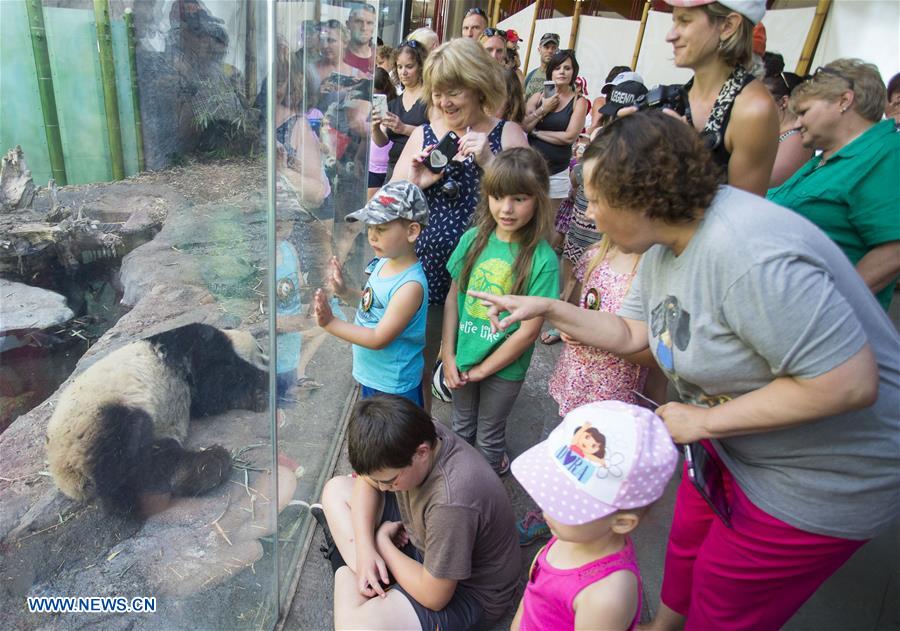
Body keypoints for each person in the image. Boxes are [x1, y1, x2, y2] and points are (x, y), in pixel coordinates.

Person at [470, 111, 900, 631]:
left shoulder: (749, 254)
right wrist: (550, 309)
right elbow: (633, 336)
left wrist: (704, 423)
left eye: (599, 200)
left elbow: (846, 383)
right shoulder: (664, 243)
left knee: (723, 601)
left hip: (817, 474)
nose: (591, 215)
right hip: (730, 442)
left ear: (642, 198)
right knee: (688, 548)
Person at [390, 38, 529, 412]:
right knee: (419, 360)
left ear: (478, 87)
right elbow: (390, 207)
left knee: (474, 371)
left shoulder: (507, 134)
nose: (443, 102)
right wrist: (414, 185)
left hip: (486, 277)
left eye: (454, 92)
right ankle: (423, 433)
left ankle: (472, 445)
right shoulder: (425, 135)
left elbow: (531, 204)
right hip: (430, 273)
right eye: (437, 93)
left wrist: (489, 160)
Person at [318, 395, 521, 630]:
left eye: (390, 480)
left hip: (466, 592)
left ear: (421, 453)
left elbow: (434, 597)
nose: (382, 488)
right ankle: (374, 574)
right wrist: (365, 548)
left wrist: (381, 543)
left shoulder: (451, 504)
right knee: (335, 490)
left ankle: (351, 564)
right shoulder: (416, 432)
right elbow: (368, 482)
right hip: (420, 537)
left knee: (354, 626)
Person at [520, 234, 657, 545]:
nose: (588, 213)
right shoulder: (595, 254)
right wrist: (568, 328)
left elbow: (655, 355)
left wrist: (599, 337)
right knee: (556, 450)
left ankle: (583, 528)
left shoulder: (651, 273)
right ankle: (547, 513)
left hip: (613, 397)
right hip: (573, 382)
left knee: (593, 469)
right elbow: (576, 308)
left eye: (598, 202)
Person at [510, 401, 679, 631]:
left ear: (621, 522)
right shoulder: (572, 533)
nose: (545, 507)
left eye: (564, 503)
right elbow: (532, 596)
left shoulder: (606, 596)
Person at [441, 147, 559, 474]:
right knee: (461, 427)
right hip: (464, 356)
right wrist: (448, 354)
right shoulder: (472, 240)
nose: (506, 208)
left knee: (489, 438)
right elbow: (454, 299)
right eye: (497, 196)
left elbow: (528, 332)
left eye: (519, 198)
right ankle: (459, 490)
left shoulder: (543, 260)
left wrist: (483, 370)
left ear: (538, 199)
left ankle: (485, 503)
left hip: (505, 369)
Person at [767, 59, 900, 311]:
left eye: (804, 112)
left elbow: (894, 249)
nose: (796, 123)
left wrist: (829, 306)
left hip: (824, 325)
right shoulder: (825, 159)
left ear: (843, 101)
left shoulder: (884, 154)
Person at [313, 181, 429, 406]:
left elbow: (378, 338)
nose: (372, 236)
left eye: (381, 229)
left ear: (412, 231)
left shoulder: (409, 286)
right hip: (373, 376)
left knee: (395, 440)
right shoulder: (383, 262)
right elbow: (372, 306)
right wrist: (345, 292)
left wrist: (331, 324)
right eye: (370, 228)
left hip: (394, 386)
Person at [662, 0, 778, 195]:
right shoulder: (676, 97)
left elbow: (741, 215)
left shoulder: (753, 110)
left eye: (685, 21)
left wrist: (688, 154)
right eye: (674, 21)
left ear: (728, 26)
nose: (670, 35)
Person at [523, 49, 589, 249]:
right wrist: (544, 109)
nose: (562, 72)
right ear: (550, 72)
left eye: (567, 68)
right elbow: (524, 126)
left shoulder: (579, 101)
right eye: (557, 68)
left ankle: (541, 266)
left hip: (558, 170)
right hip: (531, 169)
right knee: (527, 218)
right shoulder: (537, 97)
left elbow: (569, 136)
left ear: (573, 72)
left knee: (547, 224)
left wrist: (538, 134)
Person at [372, 39, 429, 180]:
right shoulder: (394, 103)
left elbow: (437, 135)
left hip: (420, 170)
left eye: (409, 66)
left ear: (421, 67)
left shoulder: (431, 99)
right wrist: (375, 128)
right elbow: (382, 142)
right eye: (399, 67)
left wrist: (404, 128)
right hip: (394, 169)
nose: (404, 72)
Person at [762, 70, 813, 187]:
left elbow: (769, 181)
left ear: (783, 102)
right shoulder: (775, 132)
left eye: (762, 98)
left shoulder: (796, 139)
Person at [367, 69, 397, 197]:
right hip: (372, 166)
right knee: (371, 208)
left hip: (388, 166)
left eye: (374, 90)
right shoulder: (370, 105)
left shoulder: (395, 105)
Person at [524, 32, 559, 102]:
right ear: (539, 49)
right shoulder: (530, 75)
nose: (550, 51)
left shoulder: (559, 77)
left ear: (557, 51)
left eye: (553, 48)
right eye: (546, 47)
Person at [344, 3, 376, 76]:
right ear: (348, 24)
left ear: (374, 27)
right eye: (358, 21)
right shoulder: (339, 54)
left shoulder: (379, 57)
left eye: (369, 23)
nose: (364, 28)